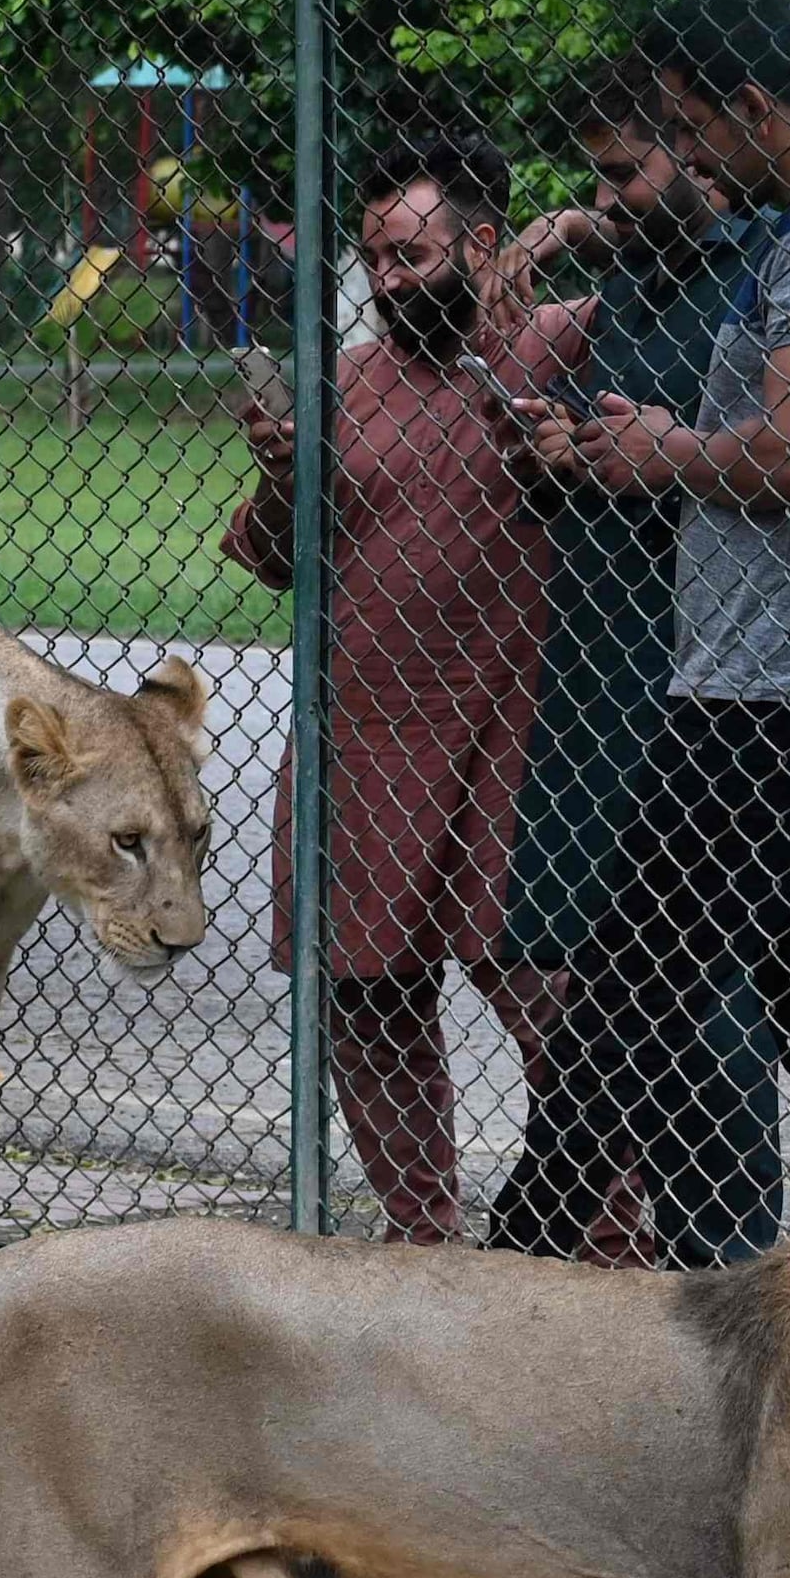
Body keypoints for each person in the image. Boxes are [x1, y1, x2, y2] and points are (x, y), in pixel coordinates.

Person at [494, 0, 790, 1254]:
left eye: (693, 129)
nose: (688, 156)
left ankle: (510, 1270)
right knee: (782, 1002)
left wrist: (659, 452)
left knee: (639, 997)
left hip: (782, 702)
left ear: (753, 107)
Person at [225, 125, 592, 1244]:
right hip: (365, 740)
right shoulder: (345, 383)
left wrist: (573, 226)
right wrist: (287, 471)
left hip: (508, 732)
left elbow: (676, 248)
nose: (386, 282)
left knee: (545, 994)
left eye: (412, 257)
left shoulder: (560, 345)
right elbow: (281, 560)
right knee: (364, 994)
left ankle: (614, 1232)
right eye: (375, 259)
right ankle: (421, 1229)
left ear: (481, 247)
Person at [486, 57, 786, 1267]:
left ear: (694, 149)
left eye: (622, 172)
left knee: (705, 1006)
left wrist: (658, 455)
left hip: (700, 680)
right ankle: (609, 1262)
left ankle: (729, 1267)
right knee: (602, 998)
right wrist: (564, 450)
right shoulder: (626, 282)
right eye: (590, 177)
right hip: (597, 675)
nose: (602, 198)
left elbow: (781, 467)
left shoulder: (764, 278)